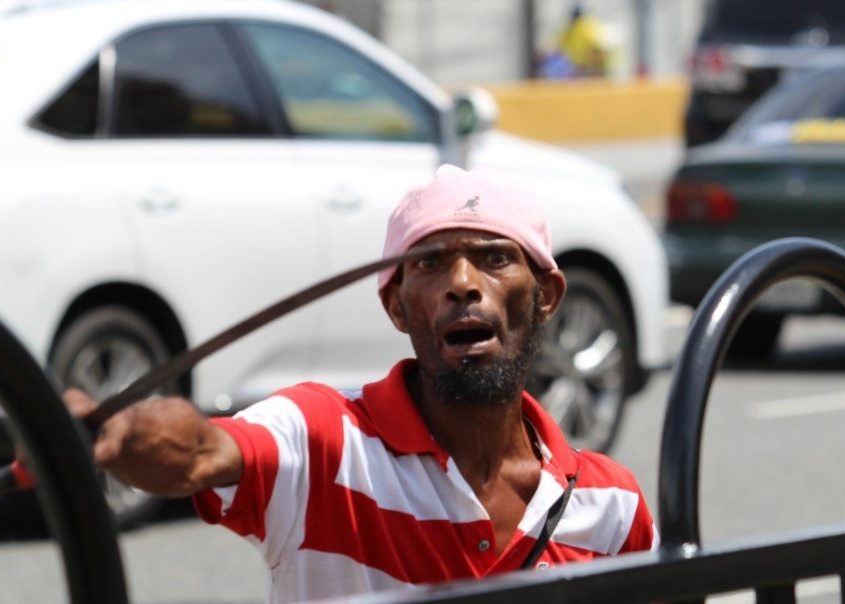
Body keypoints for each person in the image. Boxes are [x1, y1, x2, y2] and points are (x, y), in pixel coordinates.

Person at [66, 164, 657, 602]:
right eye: (429, 262)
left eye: (495, 258)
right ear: (396, 307)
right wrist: (122, 430)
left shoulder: (614, 505)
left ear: (546, 296)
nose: (462, 282)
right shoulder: (322, 440)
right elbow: (202, 451)